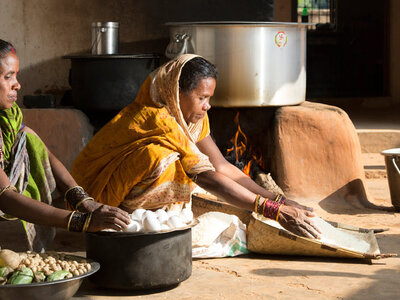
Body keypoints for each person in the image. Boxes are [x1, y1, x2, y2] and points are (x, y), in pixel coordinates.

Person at [71, 54, 320, 239]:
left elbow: (220, 166)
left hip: (130, 189)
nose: (207, 106)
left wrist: (279, 200)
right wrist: (272, 211)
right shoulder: (156, 119)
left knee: (186, 160)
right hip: (95, 197)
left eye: (209, 98)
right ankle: (121, 216)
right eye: (201, 98)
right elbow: (206, 177)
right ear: (175, 92)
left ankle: (150, 213)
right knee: (161, 157)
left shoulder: (191, 120)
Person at [0, 39, 130, 251]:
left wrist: (84, 202)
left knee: (29, 139)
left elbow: (45, 154)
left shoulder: (9, 119)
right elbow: (5, 197)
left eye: (16, 75)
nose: (18, 84)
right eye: (8, 77)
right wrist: (80, 221)